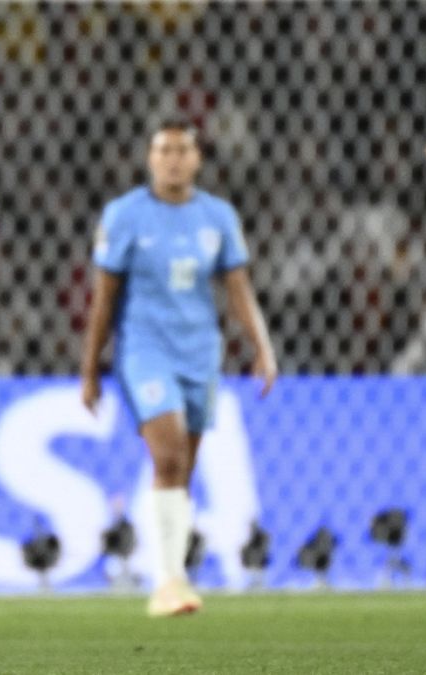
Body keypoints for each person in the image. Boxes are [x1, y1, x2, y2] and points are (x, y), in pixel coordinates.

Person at [80, 119, 277, 617]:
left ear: (197, 159)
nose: (172, 158)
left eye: (182, 150)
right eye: (163, 149)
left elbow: (237, 289)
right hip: (144, 352)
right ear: (150, 159)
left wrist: (263, 348)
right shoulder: (125, 215)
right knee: (167, 456)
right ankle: (166, 581)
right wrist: (90, 369)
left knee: (181, 469)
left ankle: (173, 576)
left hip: (200, 354)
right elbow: (104, 298)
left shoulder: (218, 217)